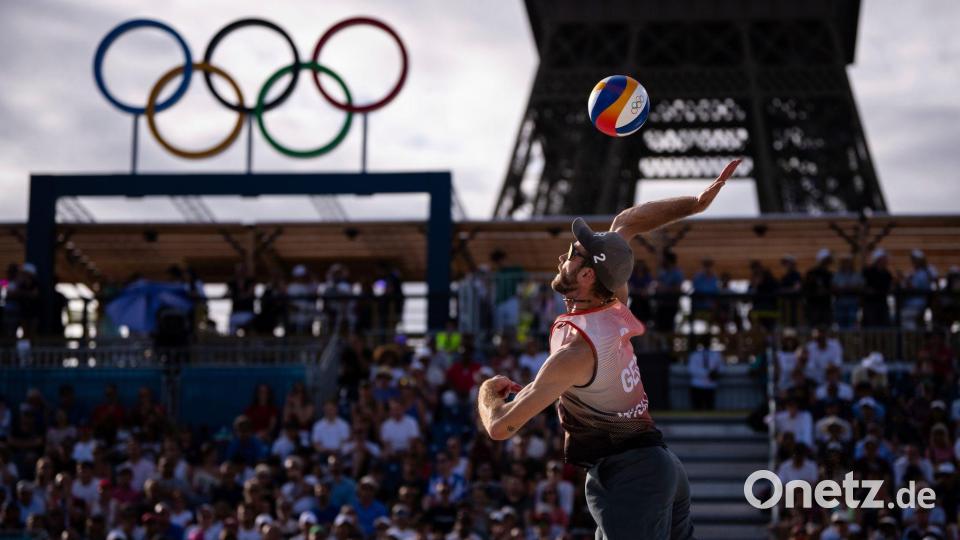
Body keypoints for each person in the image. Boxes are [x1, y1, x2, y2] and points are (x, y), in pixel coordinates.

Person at [477, 158, 741, 539]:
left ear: (587, 275)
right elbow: (627, 222)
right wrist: (695, 203)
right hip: (660, 467)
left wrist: (487, 394)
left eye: (572, 254)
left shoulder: (575, 353)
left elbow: (501, 426)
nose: (563, 257)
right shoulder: (614, 298)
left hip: (631, 476)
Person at [686, 336, 723, 410]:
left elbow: (721, 367)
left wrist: (716, 372)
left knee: (710, 406)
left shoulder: (716, 355)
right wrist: (707, 373)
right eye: (705, 341)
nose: (706, 343)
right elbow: (691, 369)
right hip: (697, 385)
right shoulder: (695, 355)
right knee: (697, 407)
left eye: (708, 341)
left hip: (711, 385)